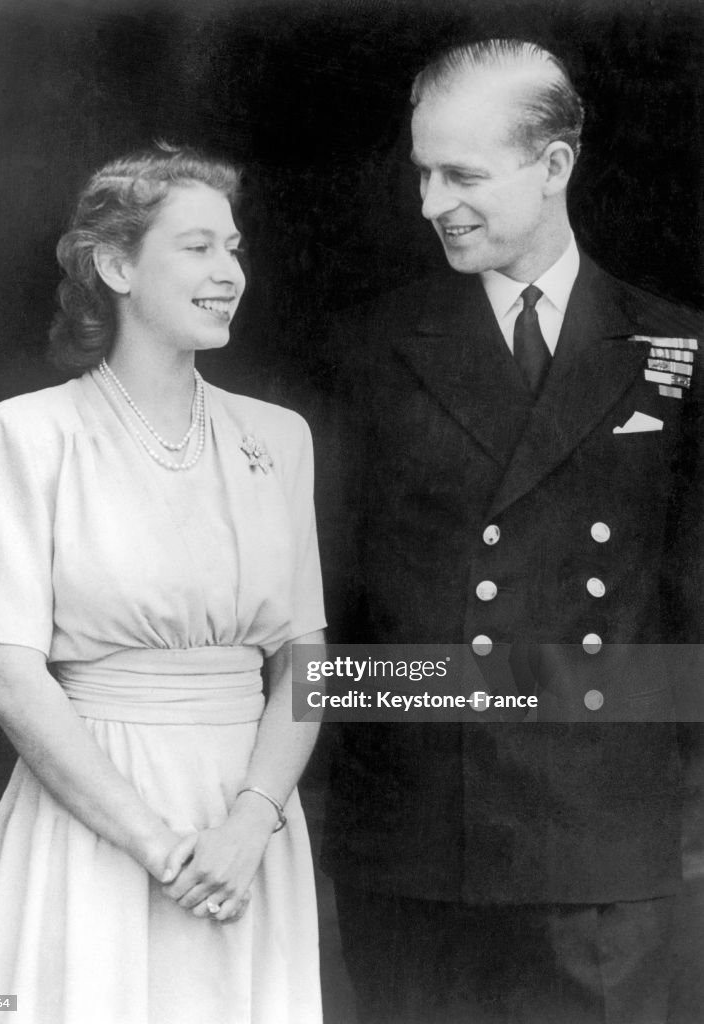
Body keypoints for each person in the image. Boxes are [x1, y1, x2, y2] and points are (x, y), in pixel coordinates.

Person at [322, 39, 703, 1024]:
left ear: (554, 167)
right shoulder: (369, 348)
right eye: (420, 172)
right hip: (416, 840)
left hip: (600, 843)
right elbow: (324, 617)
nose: (429, 202)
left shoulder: (676, 349)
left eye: (461, 175)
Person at [0, 143, 325, 1024]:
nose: (229, 271)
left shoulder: (280, 438)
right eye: (197, 248)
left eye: (233, 248)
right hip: (95, 824)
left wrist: (247, 828)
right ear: (115, 265)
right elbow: (8, 679)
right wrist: (162, 851)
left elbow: (306, 658)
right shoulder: (23, 437)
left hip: (248, 829)